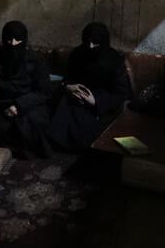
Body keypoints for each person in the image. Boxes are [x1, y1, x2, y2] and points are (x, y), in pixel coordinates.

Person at [0, 20, 53, 158]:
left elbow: (43, 92)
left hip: (29, 106)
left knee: (31, 123)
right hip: (0, 107)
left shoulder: (36, 60)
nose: (13, 44)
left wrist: (19, 106)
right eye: (9, 40)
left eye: (18, 40)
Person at [46, 22, 128, 151]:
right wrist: (69, 87)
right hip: (75, 97)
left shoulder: (115, 60)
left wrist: (96, 101)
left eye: (95, 43)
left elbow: (120, 94)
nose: (90, 47)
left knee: (89, 132)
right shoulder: (78, 53)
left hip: (101, 102)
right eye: (87, 42)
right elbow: (68, 77)